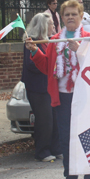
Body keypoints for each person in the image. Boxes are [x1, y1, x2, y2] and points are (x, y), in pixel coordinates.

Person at [25, 0, 90, 179]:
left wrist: (79, 50)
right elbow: (47, 67)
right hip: (63, 97)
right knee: (66, 139)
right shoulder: (55, 40)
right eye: (67, 14)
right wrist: (34, 52)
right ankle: (71, 178)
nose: (71, 17)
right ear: (62, 18)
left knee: (88, 136)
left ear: (81, 17)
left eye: (74, 14)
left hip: (84, 96)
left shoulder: (89, 38)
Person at [21, 13, 61, 162]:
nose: (53, 26)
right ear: (43, 25)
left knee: (55, 119)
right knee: (45, 120)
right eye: (51, 24)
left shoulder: (47, 41)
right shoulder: (31, 42)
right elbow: (31, 64)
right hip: (38, 88)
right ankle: (42, 151)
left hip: (48, 87)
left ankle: (56, 148)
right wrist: (49, 64)